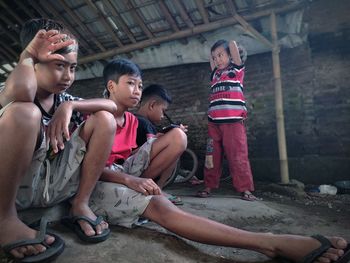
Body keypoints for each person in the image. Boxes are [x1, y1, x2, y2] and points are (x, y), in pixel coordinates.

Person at [89, 58, 349, 263]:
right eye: (131, 84)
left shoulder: (134, 121)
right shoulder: (99, 116)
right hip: (99, 180)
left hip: (124, 171)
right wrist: (130, 180)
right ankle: (268, 242)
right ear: (111, 86)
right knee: (161, 209)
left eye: (140, 85)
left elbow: (138, 154)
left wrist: (142, 175)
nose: (137, 91)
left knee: (177, 136)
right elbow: (87, 170)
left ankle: (149, 192)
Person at [0, 18, 116, 262]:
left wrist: (70, 106)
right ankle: (4, 218)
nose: (67, 76)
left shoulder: (63, 99)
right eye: (58, 65)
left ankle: (80, 203)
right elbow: (20, 95)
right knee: (25, 113)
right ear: (33, 64)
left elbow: (112, 105)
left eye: (72, 67)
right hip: (13, 188)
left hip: (50, 186)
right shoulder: (11, 89)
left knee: (105, 119)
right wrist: (27, 56)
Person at [197, 39, 256, 201]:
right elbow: (213, 58)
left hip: (233, 122)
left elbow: (232, 45)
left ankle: (245, 190)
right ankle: (208, 187)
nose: (217, 60)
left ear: (231, 56)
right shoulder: (214, 74)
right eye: (214, 57)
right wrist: (214, 54)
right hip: (214, 123)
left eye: (221, 55)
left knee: (238, 155)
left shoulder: (237, 70)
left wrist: (228, 45)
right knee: (211, 156)